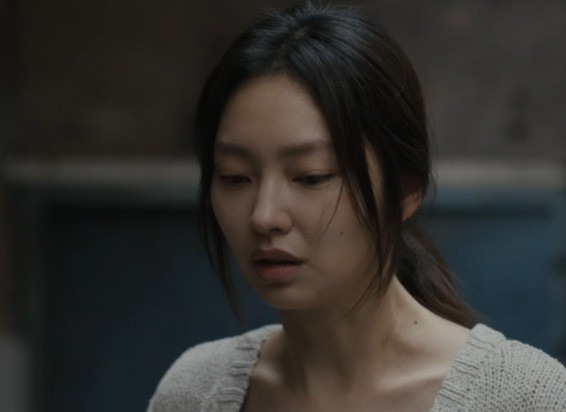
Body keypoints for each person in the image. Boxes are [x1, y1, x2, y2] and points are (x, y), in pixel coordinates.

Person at [148, 3, 566, 411]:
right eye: (235, 177)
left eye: (311, 176)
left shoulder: (522, 398)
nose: (264, 216)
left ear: (406, 190)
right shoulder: (195, 392)